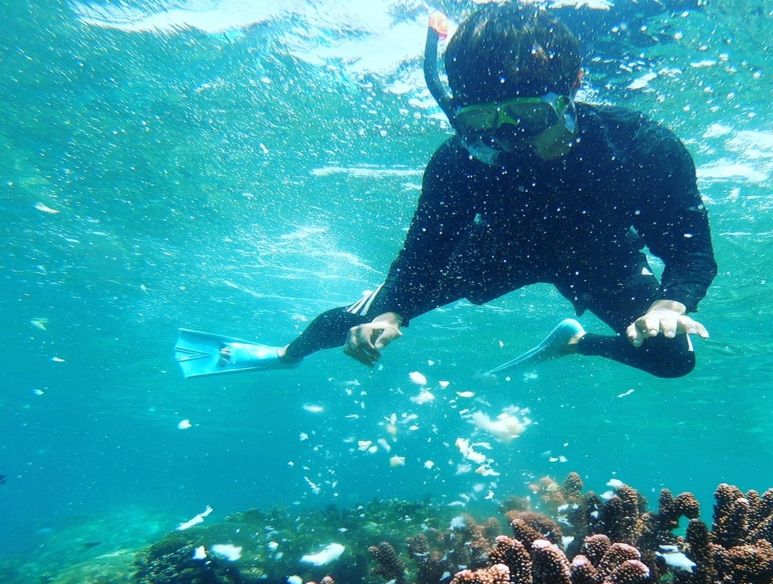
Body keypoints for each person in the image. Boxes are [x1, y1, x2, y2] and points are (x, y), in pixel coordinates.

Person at [175, 4, 715, 381]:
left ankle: (575, 345)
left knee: (672, 359)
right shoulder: (458, 159)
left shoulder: (640, 145)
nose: (509, 140)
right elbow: (423, 255)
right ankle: (286, 354)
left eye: (528, 116)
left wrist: (670, 303)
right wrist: (390, 315)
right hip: (494, 251)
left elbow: (691, 252)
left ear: (573, 85)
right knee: (362, 318)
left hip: (601, 256)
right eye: (482, 121)